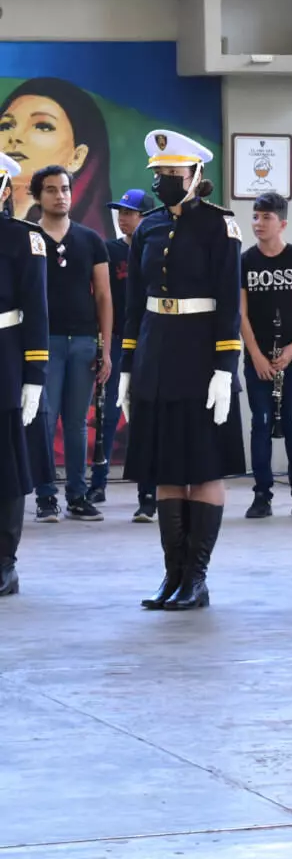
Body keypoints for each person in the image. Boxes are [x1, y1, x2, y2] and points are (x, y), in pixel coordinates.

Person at [119, 130, 246, 610]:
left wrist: (223, 365)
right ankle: (173, 575)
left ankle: (196, 577)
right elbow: (135, 306)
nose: (167, 182)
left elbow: (228, 304)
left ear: (196, 176)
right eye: (161, 175)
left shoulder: (219, 227)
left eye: (175, 174)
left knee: (203, 466)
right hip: (157, 352)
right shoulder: (148, 228)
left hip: (200, 355)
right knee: (167, 469)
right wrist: (129, 365)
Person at [32, 165, 112, 523]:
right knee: (43, 422)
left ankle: (77, 496)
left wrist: (106, 349)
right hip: (42, 343)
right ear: (38, 197)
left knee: (78, 423)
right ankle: (46, 497)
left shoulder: (91, 239)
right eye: (51, 190)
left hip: (82, 342)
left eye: (64, 188)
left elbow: (104, 298)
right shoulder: (28, 238)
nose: (60, 195)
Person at [240, 192, 292, 520]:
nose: (258, 223)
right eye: (256, 217)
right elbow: (241, 314)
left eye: (266, 217)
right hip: (259, 358)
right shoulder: (246, 260)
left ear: (283, 223)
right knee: (261, 424)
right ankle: (262, 495)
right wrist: (257, 357)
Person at [87, 189, 158, 522]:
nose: (124, 218)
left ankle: (149, 492)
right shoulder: (109, 250)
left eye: (131, 212)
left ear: (147, 217)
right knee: (109, 414)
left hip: (153, 340)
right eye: (120, 212)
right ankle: (98, 484)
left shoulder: (157, 250)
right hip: (117, 341)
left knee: (148, 415)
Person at [0, 151, 50, 596]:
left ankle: (4, 561)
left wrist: (34, 374)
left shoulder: (23, 239)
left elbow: (36, 310)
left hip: (4, 357)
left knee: (6, 466)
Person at [0, 77, 114, 238]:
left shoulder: (88, 242)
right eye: (6, 126)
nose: (16, 136)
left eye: (42, 126)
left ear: (77, 157)